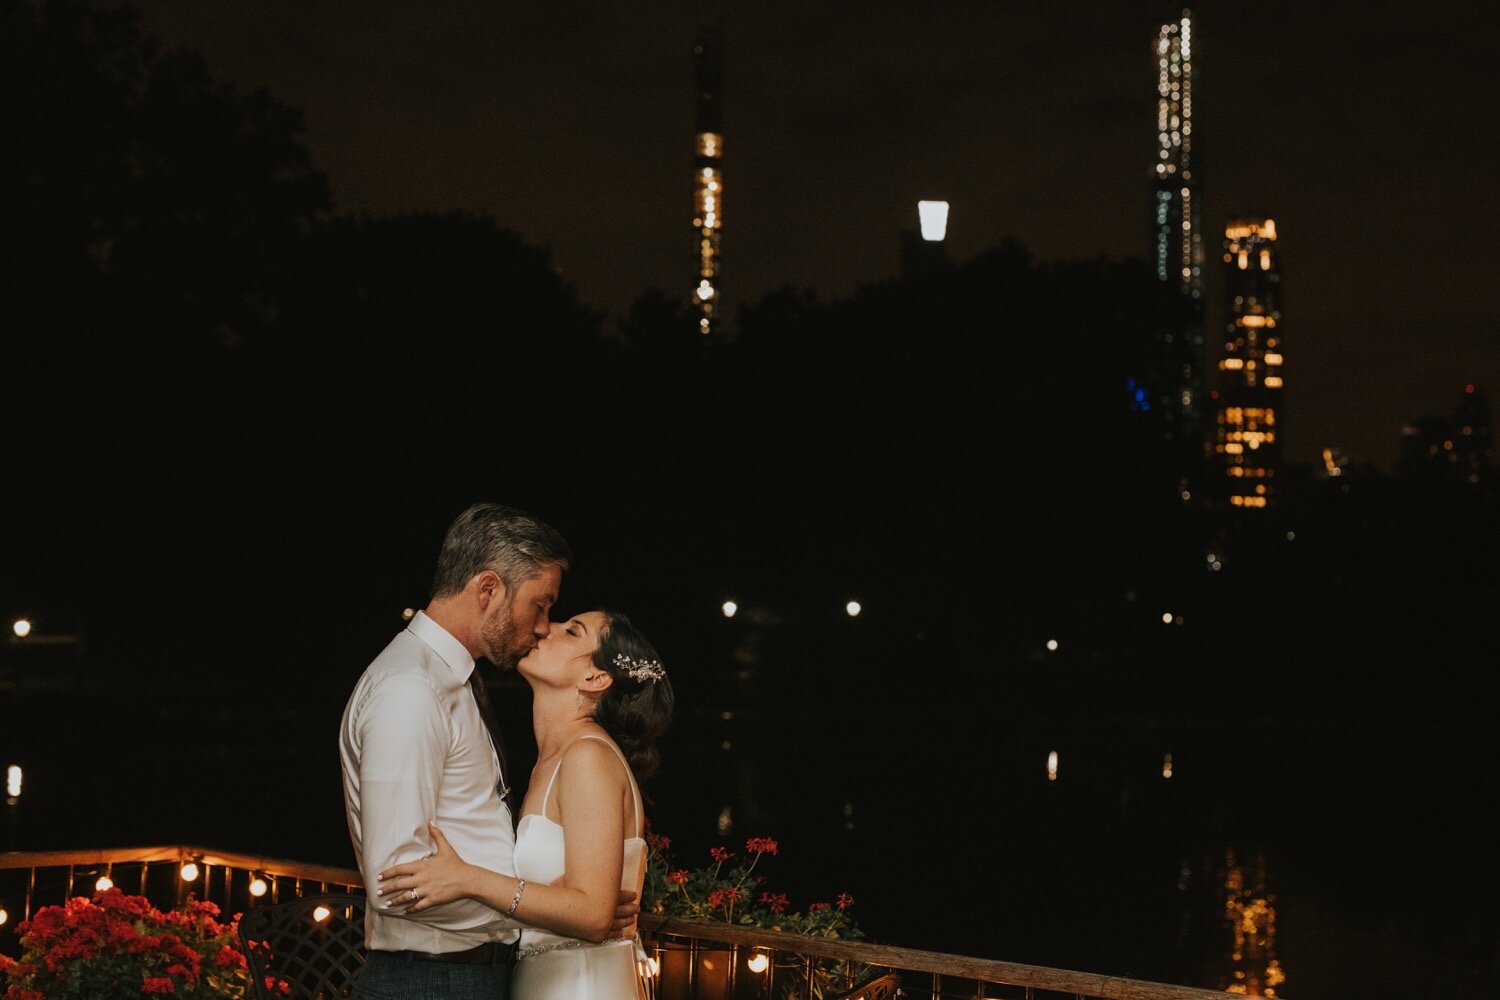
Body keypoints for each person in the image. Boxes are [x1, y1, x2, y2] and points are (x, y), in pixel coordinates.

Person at [341, 502, 635, 1000]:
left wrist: (570, 904)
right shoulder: (411, 690)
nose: (543, 626)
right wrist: (554, 912)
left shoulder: (452, 680)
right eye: (540, 605)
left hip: (460, 977)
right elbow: (397, 883)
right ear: (488, 589)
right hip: (433, 981)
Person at [376, 607, 675, 999]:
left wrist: (465, 879)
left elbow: (593, 916)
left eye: (570, 631)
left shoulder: (588, 756)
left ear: (596, 678)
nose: (544, 628)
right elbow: (580, 905)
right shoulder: (554, 759)